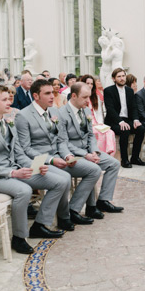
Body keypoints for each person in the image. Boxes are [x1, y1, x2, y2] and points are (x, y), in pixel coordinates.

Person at [0, 85, 73, 254]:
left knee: (61, 181)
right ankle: (18, 238)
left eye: (9, 98)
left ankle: (39, 225)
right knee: (24, 190)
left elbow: (19, 153)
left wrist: (35, 166)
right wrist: (12, 173)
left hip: (16, 170)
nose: (9, 102)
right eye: (4, 99)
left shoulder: (8, 122)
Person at [15, 79, 101, 225]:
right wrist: (51, 160)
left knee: (94, 170)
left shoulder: (54, 111)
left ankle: (73, 209)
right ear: (36, 96)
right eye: (47, 93)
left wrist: (68, 155)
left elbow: (61, 140)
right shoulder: (23, 116)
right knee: (64, 178)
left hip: (60, 156)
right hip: (39, 160)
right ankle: (63, 217)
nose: (52, 96)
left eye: (52, 93)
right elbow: (26, 149)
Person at [57, 82, 124, 217]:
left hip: (88, 151)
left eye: (89, 97)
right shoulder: (61, 113)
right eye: (85, 97)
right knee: (94, 169)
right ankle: (76, 208)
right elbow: (63, 142)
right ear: (74, 96)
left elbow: (90, 135)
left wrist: (94, 151)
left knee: (114, 164)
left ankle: (103, 200)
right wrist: (86, 155)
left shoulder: (86, 111)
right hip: (72, 154)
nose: (88, 101)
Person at [103, 68, 145, 168]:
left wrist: (136, 119)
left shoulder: (129, 90)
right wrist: (120, 121)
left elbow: (134, 107)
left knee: (141, 129)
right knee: (124, 130)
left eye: (123, 76)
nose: (122, 78)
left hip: (128, 119)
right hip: (114, 121)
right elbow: (110, 109)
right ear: (114, 79)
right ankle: (124, 159)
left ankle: (135, 158)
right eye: (119, 76)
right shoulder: (108, 91)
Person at [80, 74, 116, 155]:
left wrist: (100, 123)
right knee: (99, 134)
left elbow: (99, 113)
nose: (90, 85)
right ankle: (98, 153)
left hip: (97, 122)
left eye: (91, 84)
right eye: (87, 83)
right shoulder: (80, 98)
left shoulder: (96, 97)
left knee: (110, 132)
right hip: (87, 123)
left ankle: (109, 153)